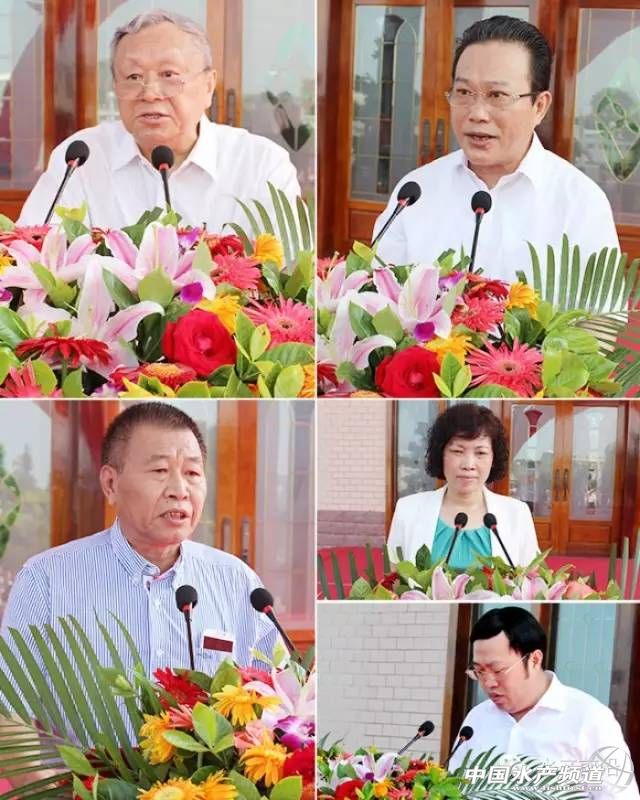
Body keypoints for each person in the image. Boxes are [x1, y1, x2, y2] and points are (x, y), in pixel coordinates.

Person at [1, 402, 279, 676]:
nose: (180, 490)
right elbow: (12, 699)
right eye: (160, 471)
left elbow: (278, 693)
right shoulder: (45, 581)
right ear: (111, 484)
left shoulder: (238, 582)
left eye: (192, 473)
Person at [372, 16, 619, 284]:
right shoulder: (414, 193)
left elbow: (599, 310)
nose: (477, 113)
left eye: (497, 95)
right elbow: (376, 290)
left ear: (539, 107)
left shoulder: (581, 203)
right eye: (463, 92)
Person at [18, 10, 300, 230]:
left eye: (169, 75)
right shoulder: (81, 158)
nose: (150, 93)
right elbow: (31, 258)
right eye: (133, 77)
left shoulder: (261, 165)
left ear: (208, 86)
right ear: (115, 86)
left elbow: (287, 274)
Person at [449, 607, 639, 800]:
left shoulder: (589, 719)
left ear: (534, 660)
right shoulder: (477, 719)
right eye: (479, 671)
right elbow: (453, 787)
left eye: (497, 670)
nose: (488, 683)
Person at [387, 404, 538, 568]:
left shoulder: (517, 514)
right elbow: (394, 578)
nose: (468, 465)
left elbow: (531, 579)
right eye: (458, 451)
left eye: (480, 453)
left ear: (493, 459)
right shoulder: (407, 510)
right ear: (441, 454)